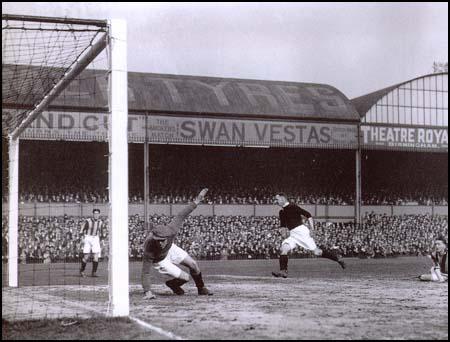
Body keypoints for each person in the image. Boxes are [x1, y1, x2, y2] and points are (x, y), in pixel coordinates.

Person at [142, 188, 212, 299]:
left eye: (161, 240)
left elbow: (182, 214)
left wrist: (197, 201)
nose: (159, 242)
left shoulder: (171, 229)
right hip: (160, 260)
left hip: (170, 249)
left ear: (167, 236)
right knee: (185, 278)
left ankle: (201, 288)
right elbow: (145, 272)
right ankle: (173, 284)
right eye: (157, 240)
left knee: (193, 265)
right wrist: (147, 292)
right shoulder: (149, 249)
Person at [271, 193, 346, 278]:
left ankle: (338, 259)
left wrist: (312, 229)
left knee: (317, 252)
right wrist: (282, 232)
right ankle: (283, 271)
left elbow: (308, 215)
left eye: (277, 199)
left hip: (302, 232)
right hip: (293, 234)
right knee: (283, 249)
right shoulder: (281, 212)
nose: (275, 201)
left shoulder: (293, 207)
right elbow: (283, 226)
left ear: (282, 198)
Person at [79, 208, 104, 277]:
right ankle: (82, 271)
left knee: (96, 256)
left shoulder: (100, 222)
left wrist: (102, 240)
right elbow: (81, 230)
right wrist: (82, 238)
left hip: (95, 238)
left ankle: (94, 272)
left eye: (97, 214)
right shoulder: (88, 221)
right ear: (93, 214)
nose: (96, 215)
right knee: (86, 256)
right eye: (95, 213)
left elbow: (101, 232)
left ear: (99, 214)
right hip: (88, 238)